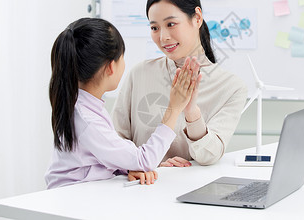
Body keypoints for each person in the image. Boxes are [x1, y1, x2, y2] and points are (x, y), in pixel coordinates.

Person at [45, 17, 198, 189]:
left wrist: (126, 168)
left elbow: (97, 159)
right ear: (111, 67)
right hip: (74, 200)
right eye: (122, 58)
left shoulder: (83, 105)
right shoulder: (87, 119)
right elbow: (143, 160)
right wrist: (174, 108)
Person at [112, 0, 248, 167]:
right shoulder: (140, 74)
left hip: (192, 191)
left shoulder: (231, 87)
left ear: (197, 18)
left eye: (171, 24)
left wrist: (191, 112)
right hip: (140, 188)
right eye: (154, 28)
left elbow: (209, 155)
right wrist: (150, 164)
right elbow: (115, 142)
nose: (163, 37)